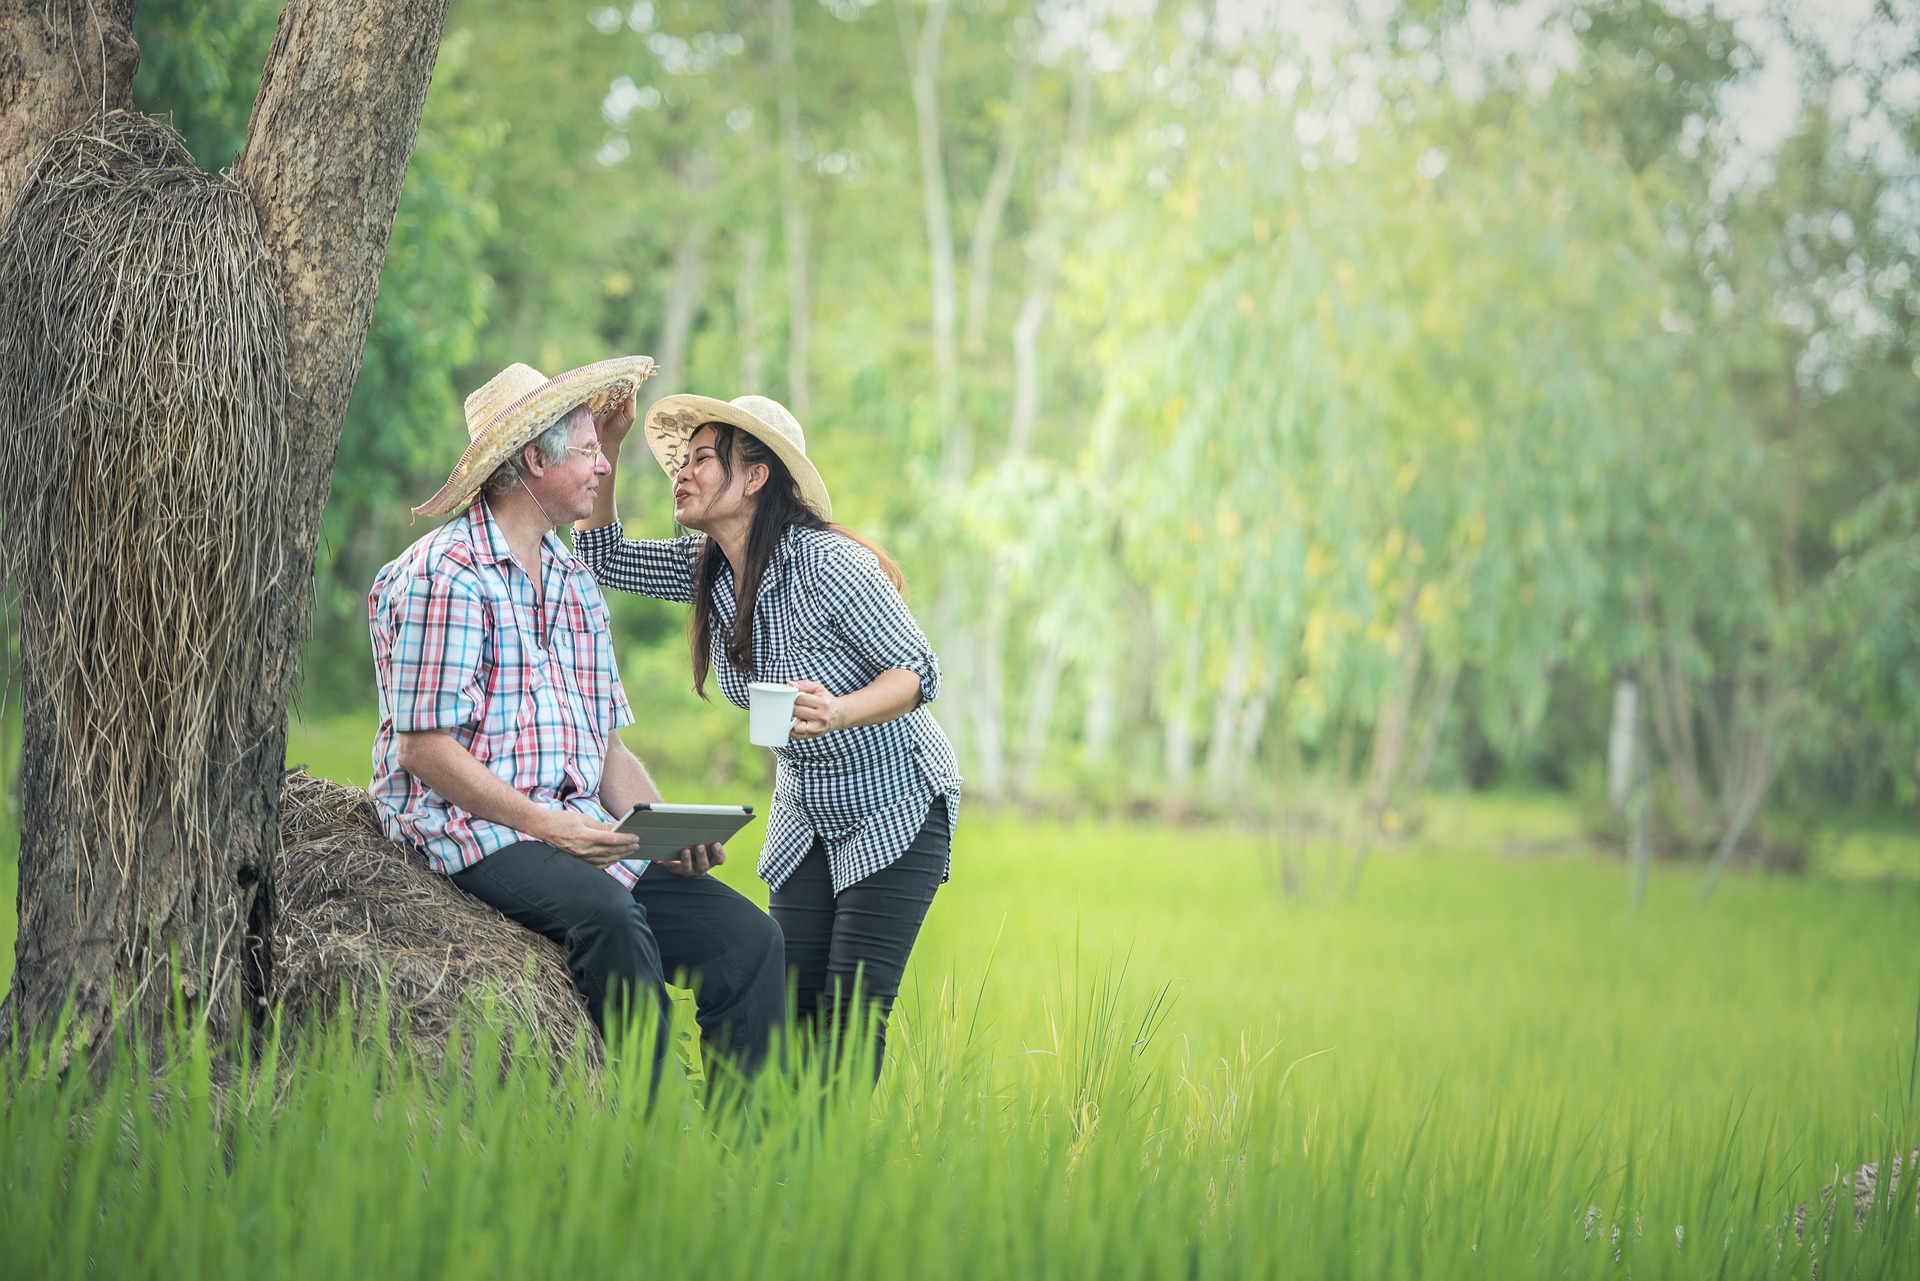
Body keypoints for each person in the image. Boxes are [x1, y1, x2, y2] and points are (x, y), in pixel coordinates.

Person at [368, 358, 784, 1079]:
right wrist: (545, 822)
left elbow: (606, 745)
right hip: (474, 829)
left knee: (748, 940)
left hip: (572, 827)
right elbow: (424, 749)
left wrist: (662, 826)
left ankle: (742, 1162)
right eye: (591, 449)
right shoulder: (449, 574)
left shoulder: (570, 580)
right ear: (536, 459)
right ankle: (646, 1143)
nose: (602, 467)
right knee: (611, 920)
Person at [573, 391, 961, 1079]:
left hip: (894, 803)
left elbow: (918, 671)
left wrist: (839, 710)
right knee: (782, 1004)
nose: (680, 474)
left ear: (755, 477)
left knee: (847, 1019)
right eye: (680, 461)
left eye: (701, 459)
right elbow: (603, 558)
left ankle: (830, 1175)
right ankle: (768, 1171)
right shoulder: (710, 569)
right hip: (807, 809)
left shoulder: (826, 564)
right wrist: (607, 447)